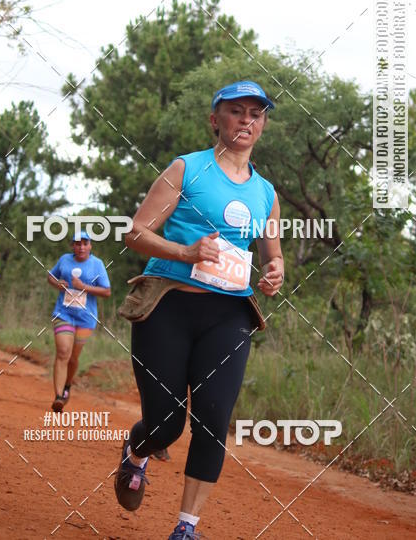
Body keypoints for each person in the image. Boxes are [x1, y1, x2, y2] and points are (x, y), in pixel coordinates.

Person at [114, 81, 285, 540]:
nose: (246, 120)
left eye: (256, 113)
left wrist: (274, 274)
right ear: (215, 119)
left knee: (213, 420)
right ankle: (136, 449)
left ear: (263, 124)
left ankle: (185, 528)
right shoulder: (185, 169)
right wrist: (185, 253)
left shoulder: (266, 193)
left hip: (229, 314)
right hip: (168, 304)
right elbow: (135, 234)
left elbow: (274, 255)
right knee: (167, 425)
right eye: (236, 112)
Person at [47, 231, 111, 412]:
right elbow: (51, 277)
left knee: (73, 358)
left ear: (90, 246)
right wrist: (57, 283)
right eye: (77, 243)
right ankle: (59, 396)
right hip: (63, 313)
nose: (81, 247)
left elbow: (106, 291)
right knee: (63, 352)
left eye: (85, 243)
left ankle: (67, 385)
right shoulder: (65, 260)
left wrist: (84, 288)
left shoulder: (97, 265)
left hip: (85, 317)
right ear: (72, 246)